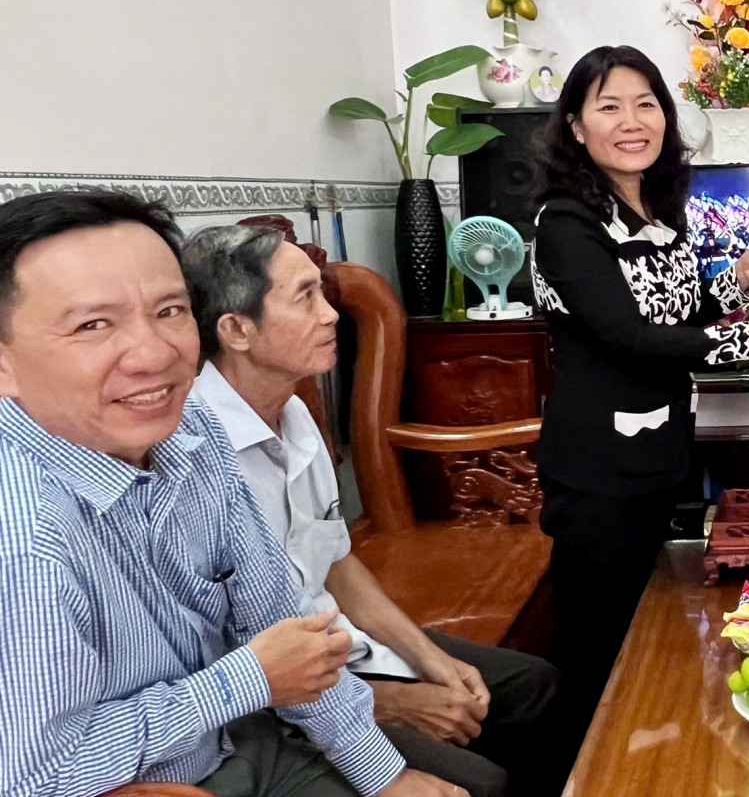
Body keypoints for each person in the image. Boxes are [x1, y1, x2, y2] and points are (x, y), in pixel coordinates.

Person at [0, 191, 458, 797]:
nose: (156, 354)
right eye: (93, 324)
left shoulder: (194, 428)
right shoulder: (24, 535)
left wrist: (384, 774)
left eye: (169, 310)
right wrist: (246, 681)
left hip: (238, 739)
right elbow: (39, 772)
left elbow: (279, 619)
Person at [181, 224, 560, 797]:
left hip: (342, 646)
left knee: (535, 685)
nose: (331, 314)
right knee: (482, 782)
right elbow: (224, 652)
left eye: (323, 292)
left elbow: (336, 563)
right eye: (305, 297)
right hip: (275, 696)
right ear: (237, 329)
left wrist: (428, 658)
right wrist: (389, 702)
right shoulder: (193, 453)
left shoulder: (293, 411)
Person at [525, 45, 749, 764]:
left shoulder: (655, 209)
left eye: (646, 104)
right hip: (599, 472)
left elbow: (674, 312)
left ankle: (651, 758)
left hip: (658, 456)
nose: (633, 121)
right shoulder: (566, 223)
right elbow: (628, 336)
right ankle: (585, 769)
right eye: (610, 106)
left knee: (651, 628)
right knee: (599, 645)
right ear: (576, 126)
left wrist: (739, 275)